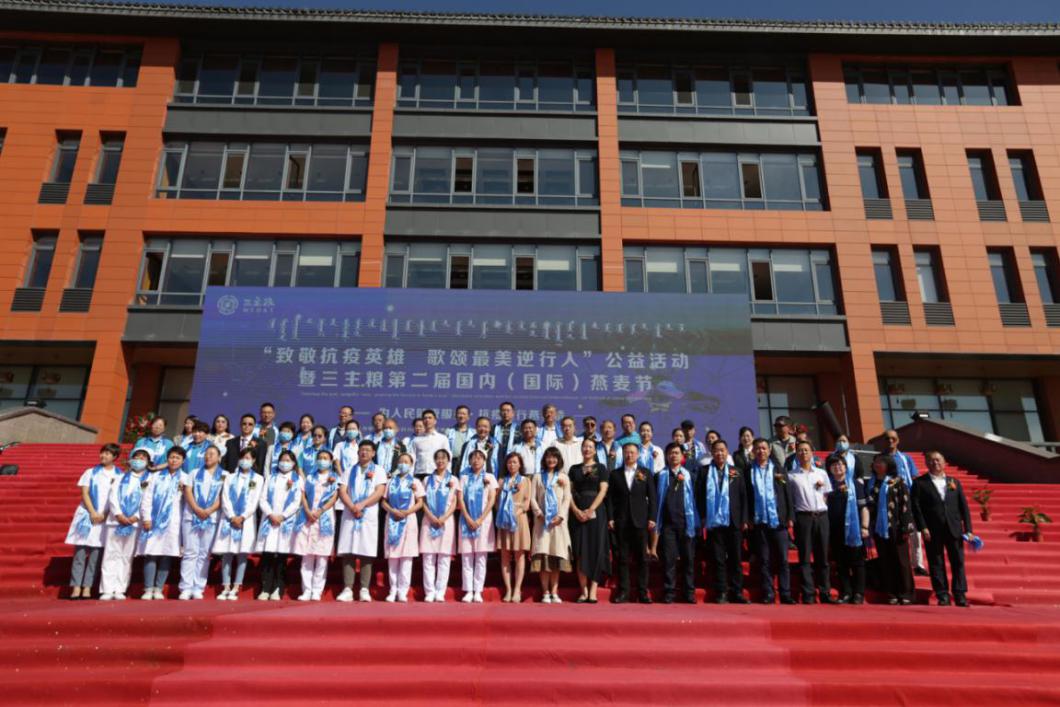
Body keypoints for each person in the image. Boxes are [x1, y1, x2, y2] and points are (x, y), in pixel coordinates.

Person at [912, 450, 973, 607]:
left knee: (958, 561)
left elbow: (963, 507)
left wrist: (968, 529)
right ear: (926, 463)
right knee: (936, 562)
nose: (935, 463)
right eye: (931, 460)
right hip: (932, 529)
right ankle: (942, 594)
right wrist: (923, 527)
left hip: (954, 528)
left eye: (938, 460)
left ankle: (960, 594)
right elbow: (916, 508)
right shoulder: (920, 483)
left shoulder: (954, 482)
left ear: (944, 462)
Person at [64, 443, 121, 600]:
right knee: (80, 553)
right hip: (86, 515)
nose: (103, 456)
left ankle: (88, 587)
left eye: (108, 454)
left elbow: (117, 497)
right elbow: (85, 493)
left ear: (115, 457)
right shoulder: (90, 472)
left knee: (96, 555)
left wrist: (104, 513)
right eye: (102, 453)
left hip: (104, 517)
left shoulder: (119, 475)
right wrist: (93, 512)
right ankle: (76, 587)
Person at [698, 439, 749, 604]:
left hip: (733, 521)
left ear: (727, 452)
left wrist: (744, 519)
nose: (719, 453)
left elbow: (743, 496)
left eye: (722, 450)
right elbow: (699, 496)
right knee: (718, 559)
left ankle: (737, 592)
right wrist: (702, 516)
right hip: (714, 522)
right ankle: (721, 592)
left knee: (735, 558)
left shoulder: (736, 471)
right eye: (716, 450)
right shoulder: (704, 471)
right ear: (711, 453)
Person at [746, 437, 795, 605]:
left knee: (783, 560)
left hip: (779, 520)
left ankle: (785, 593)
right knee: (764, 560)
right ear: (753, 451)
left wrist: (790, 516)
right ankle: (768, 593)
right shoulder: (748, 471)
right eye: (758, 448)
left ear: (769, 450)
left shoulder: (779, 469)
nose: (761, 451)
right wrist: (748, 518)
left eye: (764, 448)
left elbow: (787, 494)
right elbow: (746, 496)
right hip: (759, 521)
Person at [336, 439, 386, 602]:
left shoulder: (379, 470)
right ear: (358, 452)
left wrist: (362, 505)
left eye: (368, 450)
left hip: (368, 514)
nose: (364, 452)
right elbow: (342, 490)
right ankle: (347, 588)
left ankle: (364, 588)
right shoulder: (349, 470)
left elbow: (379, 491)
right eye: (362, 449)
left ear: (373, 453)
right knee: (348, 550)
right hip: (350, 513)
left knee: (366, 550)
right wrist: (352, 506)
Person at [607, 442, 657, 603]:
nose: (629, 455)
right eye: (626, 452)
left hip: (640, 521)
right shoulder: (615, 474)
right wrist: (611, 518)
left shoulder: (645, 473)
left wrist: (652, 517)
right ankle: (624, 592)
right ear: (623, 454)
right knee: (622, 558)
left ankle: (642, 592)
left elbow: (653, 497)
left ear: (638, 454)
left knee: (642, 558)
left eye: (632, 452)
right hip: (621, 521)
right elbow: (610, 499)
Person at [213, 447, 263, 601]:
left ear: (253, 460)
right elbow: (225, 497)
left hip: (245, 521)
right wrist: (231, 516)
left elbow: (254, 501)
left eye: (248, 458)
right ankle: (225, 586)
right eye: (242, 457)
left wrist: (242, 517)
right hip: (229, 519)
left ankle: (236, 586)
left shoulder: (258, 479)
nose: (244, 461)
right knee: (227, 553)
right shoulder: (230, 477)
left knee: (242, 554)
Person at [99, 448, 148, 600]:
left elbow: (147, 501)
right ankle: (107, 589)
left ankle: (120, 589)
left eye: (143, 458)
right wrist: (118, 514)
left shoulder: (149, 480)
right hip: (116, 521)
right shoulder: (119, 477)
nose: (139, 460)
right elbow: (113, 496)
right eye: (137, 457)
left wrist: (136, 516)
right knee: (110, 554)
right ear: (131, 460)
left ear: (148, 462)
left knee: (126, 556)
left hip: (134, 523)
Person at [867, 454, 916, 605]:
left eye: (881, 462)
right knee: (885, 560)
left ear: (888, 464)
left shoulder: (897, 482)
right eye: (875, 462)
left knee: (902, 561)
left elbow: (905, 505)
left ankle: (906, 593)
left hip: (897, 526)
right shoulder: (871, 483)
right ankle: (891, 592)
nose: (877, 464)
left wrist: (906, 527)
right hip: (879, 528)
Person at [255, 449, 303, 601]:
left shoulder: (298, 479)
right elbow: (262, 498)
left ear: (293, 463)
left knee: (281, 556)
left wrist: (283, 516)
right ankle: (265, 588)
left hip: (285, 521)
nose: (285, 463)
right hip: (269, 520)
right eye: (282, 460)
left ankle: (278, 588)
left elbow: (297, 501)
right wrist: (270, 514)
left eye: (288, 460)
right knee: (268, 555)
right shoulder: (270, 478)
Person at [179, 444, 225, 600]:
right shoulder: (193, 473)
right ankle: (185, 587)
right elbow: (188, 491)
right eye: (206, 454)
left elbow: (223, 496)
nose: (208, 456)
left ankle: (198, 586)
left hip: (211, 518)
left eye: (212, 454)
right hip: (192, 517)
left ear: (219, 457)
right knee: (190, 552)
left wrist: (209, 510)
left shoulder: (224, 475)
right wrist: (196, 509)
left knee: (204, 554)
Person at [790, 440, 833, 604]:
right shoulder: (792, 475)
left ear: (812, 453)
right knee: (805, 557)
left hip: (821, 516)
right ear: (796, 454)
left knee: (823, 557)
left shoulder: (821, 473)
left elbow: (826, 495)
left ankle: (825, 592)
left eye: (806, 450)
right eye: (800, 450)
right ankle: (808, 593)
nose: (803, 453)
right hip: (803, 518)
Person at [139, 446, 185, 600]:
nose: (174, 460)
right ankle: (148, 588)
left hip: (173, 522)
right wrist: (146, 517)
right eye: (172, 457)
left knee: (167, 554)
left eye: (177, 458)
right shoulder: (155, 477)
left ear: (183, 461)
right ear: (167, 459)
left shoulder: (185, 478)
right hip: (154, 520)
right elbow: (147, 497)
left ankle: (158, 588)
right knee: (151, 553)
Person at [293, 449, 340, 601]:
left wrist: (321, 510)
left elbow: (334, 497)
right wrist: (307, 510)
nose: (322, 460)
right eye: (320, 458)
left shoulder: (335, 478)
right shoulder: (310, 477)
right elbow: (303, 495)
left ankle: (317, 590)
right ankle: (306, 590)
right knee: (307, 556)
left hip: (325, 517)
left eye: (325, 458)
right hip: (308, 517)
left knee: (322, 557)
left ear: (330, 461)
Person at [654, 442, 698, 604]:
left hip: (687, 523)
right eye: (671, 453)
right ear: (666, 456)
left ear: (682, 456)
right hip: (667, 525)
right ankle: (669, 592)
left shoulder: (690, 476)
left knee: (688, 560)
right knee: (669, 560)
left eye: (677, 453)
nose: (674, 455)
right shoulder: (660, 476)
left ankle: (689, 593)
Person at [568, 438, 611, 603]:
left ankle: (593, 591)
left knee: (595, 549)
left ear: (595, 450)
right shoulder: (574, 469)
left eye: (590, 447)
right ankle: (583, 591)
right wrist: (576, 510)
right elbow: (568, 492)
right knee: (580, 550)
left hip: (596, 512)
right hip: (577, 512)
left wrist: (591, 509)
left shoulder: (601, 468)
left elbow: (603, 491)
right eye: (584, 446)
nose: (587, 449)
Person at [825, 454, 869, 604]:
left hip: (854, 529)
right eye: (834, 465)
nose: (837, 467)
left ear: (846, 467)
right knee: (840, 562)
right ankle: (846, 592)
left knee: (857, 562)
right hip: (835, 529)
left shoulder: (855, 484)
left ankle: (858, 593)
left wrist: (864, 526)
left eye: (840, 464)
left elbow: (863, 508)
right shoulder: (826, 484)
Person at [530, 447, 572, 603]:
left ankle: (554, 591)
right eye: (548, 457)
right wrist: (539, 513)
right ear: (544, 459)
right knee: (544, 557)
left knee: (555, 556)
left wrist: (561, 516)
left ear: (558, 459)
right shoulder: (537, 477)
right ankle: (545, 592)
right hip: (542, 523)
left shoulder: (563, 477)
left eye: (554, 457)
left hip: (558, 524)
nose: (551, 460)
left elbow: (567, 498)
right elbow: (532, 498)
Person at [883, 429, 927, 575]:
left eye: (893, 438)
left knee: (914, 531)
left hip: (908, 496)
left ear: (898, 440)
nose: (890, 441)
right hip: (890, 498)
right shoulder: (880, 458)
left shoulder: (905, 458)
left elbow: (914, 477)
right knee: (895, 532)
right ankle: (900, 564)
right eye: (887, 438)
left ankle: (918, 564)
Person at [382, 453, 424, 602]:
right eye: (400, 461)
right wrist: (392, 510)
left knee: (406, 557)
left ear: (411, 465)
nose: (403, 464)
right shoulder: (390, 482)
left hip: (408, 519)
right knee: (393, 556)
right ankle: (393, 589)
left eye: (406, 462)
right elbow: (384, 501)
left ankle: (402, 591)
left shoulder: (416, 482)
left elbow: (420, 502)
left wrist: (407, 511)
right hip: (392, 519)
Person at [457, 448, 498, 602]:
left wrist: (480, 519)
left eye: (480, 458)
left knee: (481, 557)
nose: (476, 460)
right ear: (469, 461)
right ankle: (468, 590)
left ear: (484, 461)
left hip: (484, 521)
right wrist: (467, 518)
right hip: (466, 520)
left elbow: (492, 500)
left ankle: (478, 591)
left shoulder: (489, 477)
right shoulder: (464, 478)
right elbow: (460, 499)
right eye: (473, 458)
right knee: (467, 557)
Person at [421, 449, 459, 603]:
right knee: (428, 557)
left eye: (443, 458)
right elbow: (423, 501)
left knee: (444, 557)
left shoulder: (453, 479)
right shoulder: (426, 480)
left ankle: (440, 591)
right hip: (428, 520)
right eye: (438, 458)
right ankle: (429, 591)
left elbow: (455, 501)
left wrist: (444, 517)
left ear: (448, 461)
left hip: (446, 521)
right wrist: (431, 516)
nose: (440, 461)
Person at [495, 452, 531, 603]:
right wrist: (504, 512)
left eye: (515, 462)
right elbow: (496, 502)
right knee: (505, 556)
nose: (512, 465)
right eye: (509, 462)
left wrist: (516, 512)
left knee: (519, 555)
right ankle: (508, 589)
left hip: (519, 519)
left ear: (520, 464)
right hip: (504, 520)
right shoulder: (501, 481)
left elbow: (527, 502)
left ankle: (517, 589)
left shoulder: (525, 480)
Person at [409, 409, 450, 481]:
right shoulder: (416, 440)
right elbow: (412, 458)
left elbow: (447, 458)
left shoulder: (442, 438)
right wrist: (410, 475)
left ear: (435, 421)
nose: (427, 420)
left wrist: (448, 475)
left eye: (430, 418)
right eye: (425, 418)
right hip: (419, 474)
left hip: (436, 473)